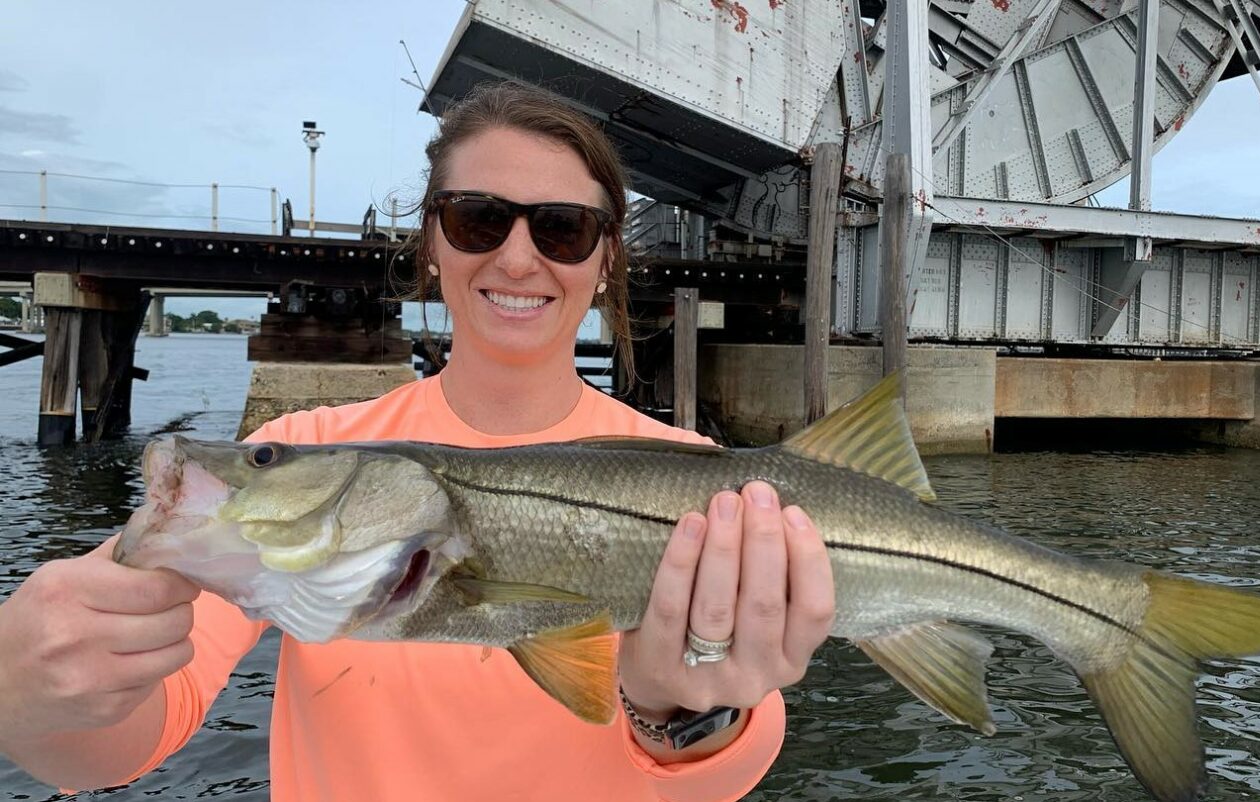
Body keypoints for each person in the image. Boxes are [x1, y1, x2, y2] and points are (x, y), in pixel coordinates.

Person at [0, 82, 835, 801]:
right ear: (432, 240)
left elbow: (723, 776)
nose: (517, 257)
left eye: (562, 229)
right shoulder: (302, 447)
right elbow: (123, 741)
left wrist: (684, 713)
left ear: (606, 258)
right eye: (479, 220)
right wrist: (35, 695)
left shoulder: (702, 481)